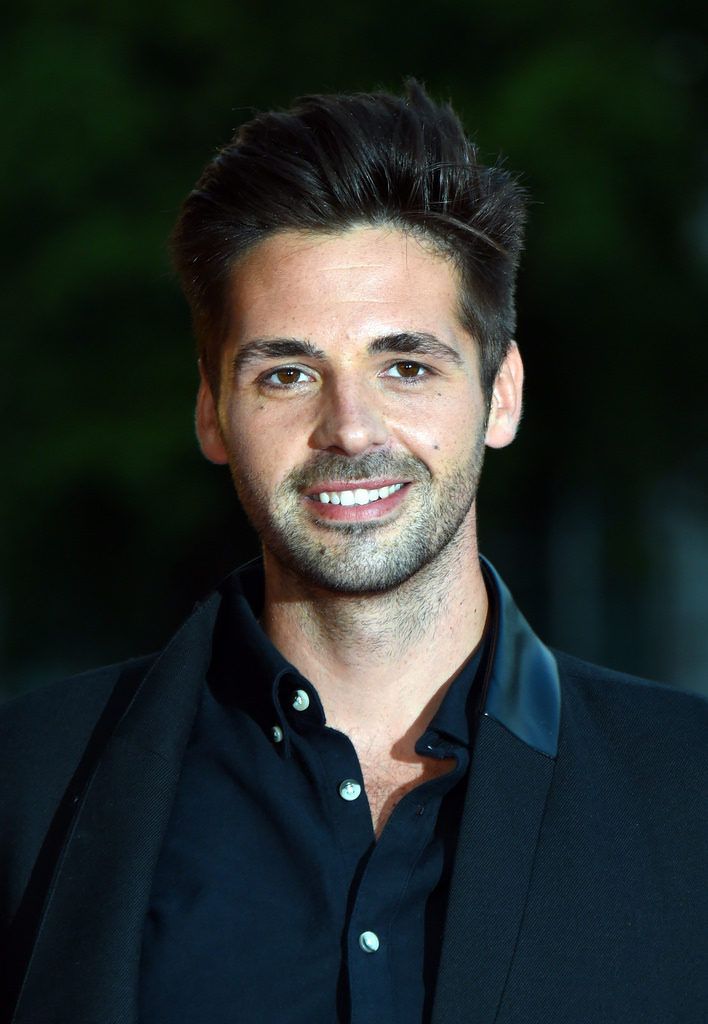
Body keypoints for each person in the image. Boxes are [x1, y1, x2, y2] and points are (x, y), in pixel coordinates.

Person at [1, 81, 705, 1024]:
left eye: (406, 366)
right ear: (213, 412)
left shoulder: (690, 790)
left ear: (501, 395)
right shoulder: (28, 784)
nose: (350, 427)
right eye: (287, 374)